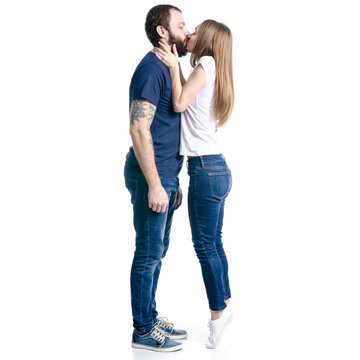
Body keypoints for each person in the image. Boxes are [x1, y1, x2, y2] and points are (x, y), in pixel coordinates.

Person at [154, 19, 235, 349]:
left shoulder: (206, 63)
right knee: (213, 242)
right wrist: (179, 69)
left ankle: (218, 315)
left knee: (205, 247)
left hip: (205, 169)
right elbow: (188, 97)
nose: (190, 32)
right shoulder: (212, 67)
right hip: (216, 168)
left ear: (209, 39)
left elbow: (178, 103)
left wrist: (173, 66)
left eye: (196, 29)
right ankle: (225, 303)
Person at [124, 5, 190, 352]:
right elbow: (138, 127)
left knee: (158, 250)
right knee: (149, 253)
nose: (186, 29)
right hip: (150, 175)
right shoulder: (151, 69)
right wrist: (154, 183)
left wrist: (170, 182)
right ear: (162, 31)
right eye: (181, 24)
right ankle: (143, 329)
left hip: (166, 175)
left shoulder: (167, 66)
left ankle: (149, 313)